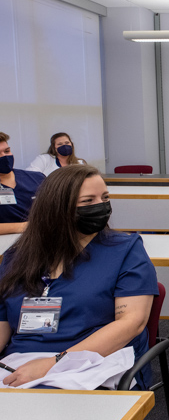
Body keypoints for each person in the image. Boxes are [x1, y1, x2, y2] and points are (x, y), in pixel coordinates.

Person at [0, 165, 158, 388]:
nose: (101, 206)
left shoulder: (125, 250)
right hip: (19, 364)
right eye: (87, 201)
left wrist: (52, 364)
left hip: (94, 365)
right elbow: (2, 323)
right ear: (55, 207)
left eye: (105, 198)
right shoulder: (17, 257)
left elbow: (131, 323)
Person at [0, 132, 45, 236]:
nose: (4, 157)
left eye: (7, 151)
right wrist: (27, 226)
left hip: (44, 239)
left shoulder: (37, 178)